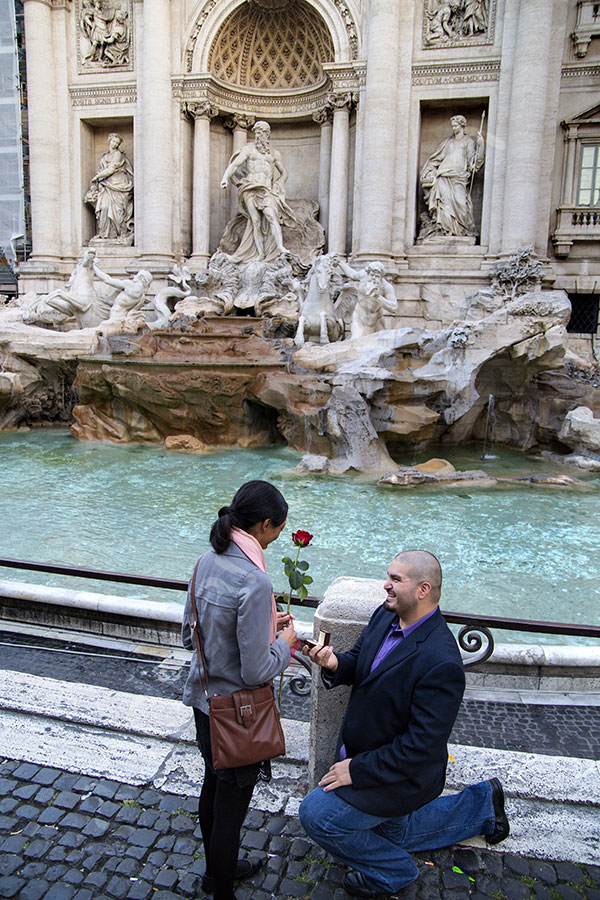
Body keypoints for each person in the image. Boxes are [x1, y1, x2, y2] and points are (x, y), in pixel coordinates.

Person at [299, 550, 509, 899]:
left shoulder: (441, 662)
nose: (386, 585)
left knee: (316, 815)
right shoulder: (385, 616)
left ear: (423, 590)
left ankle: (393, 871)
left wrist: (359, 769)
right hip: (370, 756)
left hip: (401, 777)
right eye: (389, 576)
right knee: (391, 833)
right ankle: (482, 805)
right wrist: (335, 662)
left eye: (396, 579)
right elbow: (360, 663)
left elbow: (420, 748)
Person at [181, 481, 298, 900]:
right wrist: (286, 645)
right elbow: (256, 670)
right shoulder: (255, 581)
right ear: (264, 526)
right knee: (231, 807)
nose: (278, 536)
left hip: (202, 702)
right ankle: (221, 890)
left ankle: (217, 873)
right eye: (278, 529)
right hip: (238, 714)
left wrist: (264, 626)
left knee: (212, 787)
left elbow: (186, 637)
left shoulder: (204, 562)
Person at [220, 121, 296, 263]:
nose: (257, 136)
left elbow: (284, 172)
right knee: (255, 221)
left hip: (266, 189)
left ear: (267, 134)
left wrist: (279, 182)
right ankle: (260, 254)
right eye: (256, 133)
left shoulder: (274, 154)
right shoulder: (248, 150)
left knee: (271, 216)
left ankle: (280, 247)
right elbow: (235, 164)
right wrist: (225, 177)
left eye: (260, 133)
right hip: (250, 187)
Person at [419, 115, 484, 237]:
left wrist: (481, 146)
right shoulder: (447, 142)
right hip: (442, 176)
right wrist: (427, 172)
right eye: (452, 126)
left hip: (459, 177)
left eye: (456, 126)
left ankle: (460, 230)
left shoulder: (468, 142)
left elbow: (473, 164)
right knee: (444, 204)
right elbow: (436, 159)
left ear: (462, 126)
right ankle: (444, 230)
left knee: (461, 203)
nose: (454, 128)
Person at [86, 133, 134, 241]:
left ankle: (118, 234)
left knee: (118, 211)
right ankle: (104, 233)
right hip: (106, 185)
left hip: (118, 184)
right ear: (109, 141)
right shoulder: (105, 156)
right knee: (104, 208)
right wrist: (99, 178)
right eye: (113, 141)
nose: (115, 144)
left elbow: (111, 169)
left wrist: (97, 177)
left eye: (117, 143)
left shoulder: (118, 155)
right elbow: (103, 169)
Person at [335, 258, 397, 340]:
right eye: (372, 275)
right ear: (368, 273)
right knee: (356, 340)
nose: (374, 278)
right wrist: (340, 263)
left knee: (380, 343)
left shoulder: (386, 287)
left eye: (377, 276)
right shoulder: (363, 276)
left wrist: (378, 297)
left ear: (381, 277)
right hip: (359, 316)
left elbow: (394, 307)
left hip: (377, 319)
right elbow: (352, 274)